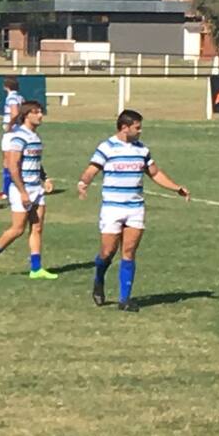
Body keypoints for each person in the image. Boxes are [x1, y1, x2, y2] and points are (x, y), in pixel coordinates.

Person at [76, 109, 190, 312]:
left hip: (135, 208)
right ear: (124, 127)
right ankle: (99, 278)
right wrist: (83, 183)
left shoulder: (142, 150)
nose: (140, 131)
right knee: (107, 252)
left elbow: (155, 173)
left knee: (128, 252)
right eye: (137, 128)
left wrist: (176, 188)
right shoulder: (107, 147)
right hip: (112, 208)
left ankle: (124, 299)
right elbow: (92, 169)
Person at [0, 101, 57, 280]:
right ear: (26, 115)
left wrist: (44, 178)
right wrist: (23, 191)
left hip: (36, 189)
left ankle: (36, 269)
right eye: (36, 112)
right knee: (17, 229)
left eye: (40, 112)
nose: (40, 115)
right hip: (21, 189)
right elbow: (13, 166)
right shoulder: (18, 137)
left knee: (37, 227)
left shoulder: (35, 137)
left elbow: (36, 163)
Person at [0, 76, 22, 200]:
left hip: (12, 132)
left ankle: (6, 191)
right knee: (12, 160)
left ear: (5, 86)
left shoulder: (12, 98)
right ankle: (7, 190)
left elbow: (14, 113)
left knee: (8, 162)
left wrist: (10, 124)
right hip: (17, 131)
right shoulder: (20, 97)